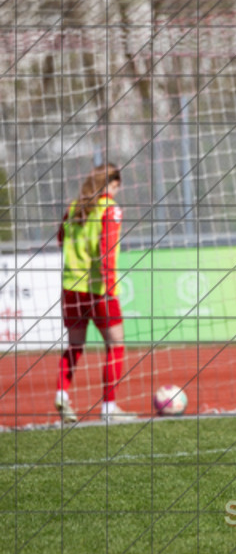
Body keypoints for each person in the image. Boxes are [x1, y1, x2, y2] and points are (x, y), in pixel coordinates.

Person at [54, 164, 133, 422]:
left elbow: (60, 238)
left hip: (71, 288)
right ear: (111, 184)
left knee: (74, 346)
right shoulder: (110, 209)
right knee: (116, 345)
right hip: (99, 288)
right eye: (116, 185)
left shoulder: (75, 208)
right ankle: (109, 408)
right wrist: (109, 286)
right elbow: (106, 249)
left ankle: (62, 395)